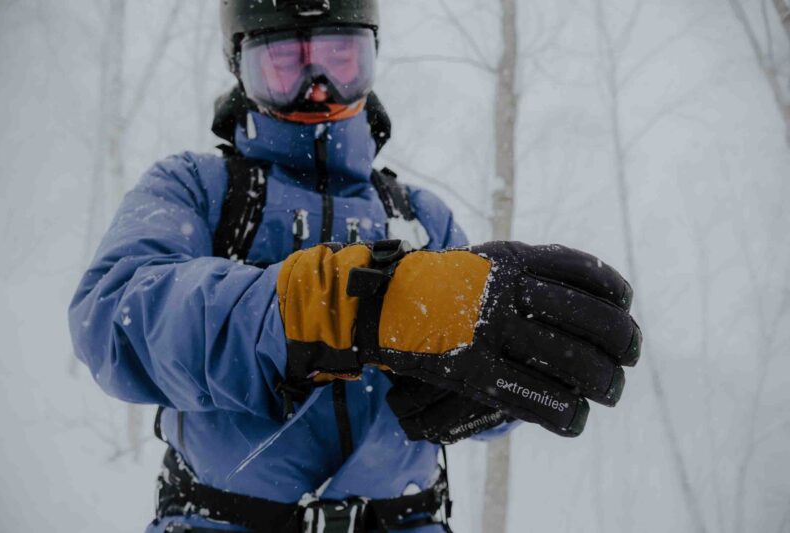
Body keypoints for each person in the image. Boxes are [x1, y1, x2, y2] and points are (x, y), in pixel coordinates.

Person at [68, 1, 642, 531]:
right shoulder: (197, 188)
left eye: (341, 59)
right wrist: (338, 304)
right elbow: (116, 315)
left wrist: (487, 395)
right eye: (284, 63)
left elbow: (482, 355)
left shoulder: (420, 218)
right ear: (239, 67)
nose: (318, 89)